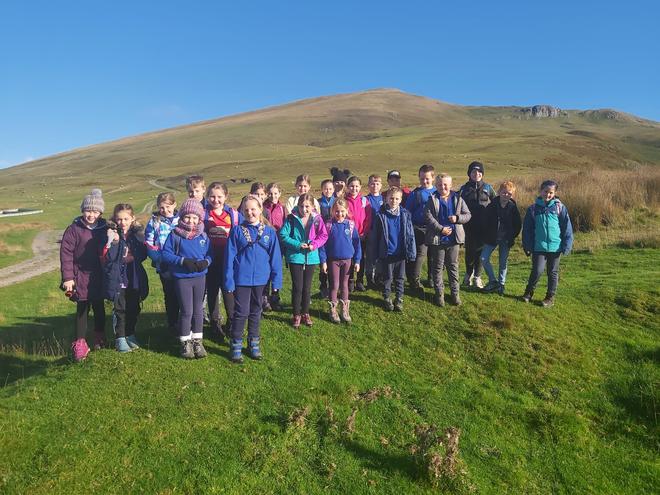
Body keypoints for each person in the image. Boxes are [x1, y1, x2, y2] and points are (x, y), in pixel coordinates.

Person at [225, 196, 283, 362]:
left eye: (253, 209)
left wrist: (276, 282)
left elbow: (275, 259)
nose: (250, 212)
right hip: (241, 280)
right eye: (246, 210)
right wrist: (229, 280)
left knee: (256, 311)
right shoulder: (237, 231)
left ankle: (253, 343)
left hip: (261, 280)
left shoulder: (269, 232)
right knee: (241, 312)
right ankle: (236, 344)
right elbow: (229, 258)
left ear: (260, 210)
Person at [60, 189, 108, 361]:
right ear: (82, 210)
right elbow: (66, 254)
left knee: (99, 307)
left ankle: (99, 338)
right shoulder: (73, 230)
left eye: (95, 211)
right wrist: (68, 278)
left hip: (99, 275)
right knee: (82, 309)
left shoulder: (105, 228)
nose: (91, 215)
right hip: (79, 276)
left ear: (100, 212)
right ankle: (80, 344)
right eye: (88, 210)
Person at [161, 199, 212, 359]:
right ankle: (185, 342)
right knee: (186, 311)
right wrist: (182, 261)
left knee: (198, 310)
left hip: (200, 277)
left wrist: (206, 262)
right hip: (182, 278)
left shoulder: (203, 235)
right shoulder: (175, 235)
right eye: (187, 217)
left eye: (195, 217)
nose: (191, 220)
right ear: (182, 217)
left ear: (199, 218)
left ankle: (197, 341)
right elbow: (166, 254)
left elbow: (210, 254)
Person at [103, 203, 149, 352]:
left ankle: (130, 334)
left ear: (132, 218)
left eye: (126, 219)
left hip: (134, 275)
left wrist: (135, 254)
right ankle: (120, 338)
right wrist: (115, 242)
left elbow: (143, 254)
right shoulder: (112, 233)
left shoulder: (137, 234)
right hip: (118, 276)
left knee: (134, 307)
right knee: (120, 308)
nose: (122, 222)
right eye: (119, 219)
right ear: (115, 219)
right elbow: (110, 256)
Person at [279, 194, 328, 329]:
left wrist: (314, 245)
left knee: (307, 288)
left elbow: (323, 235)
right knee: (297, 287)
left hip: (311, 257)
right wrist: (297, 244)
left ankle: (305, 313)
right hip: (296, 256)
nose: (304, 209)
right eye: (301, 206)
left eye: (307, 206)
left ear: (312, 206)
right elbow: (283, 235)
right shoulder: (291, 218)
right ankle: (296, 314)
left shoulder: (317, 219)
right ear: (298, 206)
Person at [521, 180, 574, 307]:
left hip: (556, 247)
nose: (548, 195)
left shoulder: (560, 208)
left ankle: (550, 298)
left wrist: (567, 245)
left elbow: (567, 228)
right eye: (545, 191)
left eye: (551, 193)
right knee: (537, 270)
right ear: (541, 191)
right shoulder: (533, 209)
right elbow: (527, 230)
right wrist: (527, 245)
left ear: (555, 193)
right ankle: (528, 294)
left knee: (553, 272)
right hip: (539, 246)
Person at [425, 174, 472, 306]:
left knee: (453, 267)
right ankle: (439, 295)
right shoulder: (432, 199)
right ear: (436, 185)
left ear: (451, 185)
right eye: (440, 184)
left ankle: (455, 294)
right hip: (438, 239)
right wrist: (441, 229)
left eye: (445, 184)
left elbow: (468, 215)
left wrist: (458, 218)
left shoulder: (458, 198)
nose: (443, 187)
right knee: (437, 268)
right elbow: (428, 216)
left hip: (453, 240)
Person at [204, 182, 242, 339]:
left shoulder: (233, 215)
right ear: (207, 197)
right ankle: (215, 324)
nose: (216, 200)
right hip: (210, 260)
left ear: (226, 196)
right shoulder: (203, 214)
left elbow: (241, 233)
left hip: (228, 261)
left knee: (229, 291)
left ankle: (232, 323)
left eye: (219, 196)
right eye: (212, 196)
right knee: (212, 292)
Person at [370, 187, 416, 312]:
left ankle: (399, 298)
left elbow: (410, 234)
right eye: (391, 198)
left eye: (397, 198)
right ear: (386, 199)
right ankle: (387, 297)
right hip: (387, 253)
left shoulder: (405, 214)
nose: (394, 201)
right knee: (387, 278)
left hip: (401, 252)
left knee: (400, 278)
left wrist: (411, 251)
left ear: (401, 200)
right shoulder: (380, 215)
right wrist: (375, 254)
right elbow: (376, 236)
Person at [319, 199, 362, 323]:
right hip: (333, 261)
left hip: (347, 260)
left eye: (342, 211)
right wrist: (323, 261)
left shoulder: (350, 225)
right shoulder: (328, 225)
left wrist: (357, 260)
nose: (339, 214)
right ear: (332, 211)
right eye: (337, 211)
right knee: (334, 285)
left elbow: (357, 244)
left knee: (344, 284)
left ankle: (344, 309)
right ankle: (333, 309)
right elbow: (322, 245)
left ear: (347, 211)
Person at [144, 192, 179, 333]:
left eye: (168, 206)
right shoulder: (154, 222)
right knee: (170, 294)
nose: (165, 210)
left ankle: (184, 323)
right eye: (162, 207)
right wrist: (159, 259)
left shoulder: (181, 219)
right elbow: (149, 243)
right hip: (164, 265)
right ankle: (172, 323)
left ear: (174, 204)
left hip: (180, 263)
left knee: (183, 294)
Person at [480, 181, 522, 295]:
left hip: (506, 239)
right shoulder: (492, 205)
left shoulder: (513, 207)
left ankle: (501, 284)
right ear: (499, 192)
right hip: (491, 238)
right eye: (504, 192)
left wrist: (512, 236)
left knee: (503, 262)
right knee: (483, 258)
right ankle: (493, 281)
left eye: (509, 193)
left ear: (512, 194)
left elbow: (517, 224)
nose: (506, 195)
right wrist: (486, 234)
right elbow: (484, 221)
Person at [458, 161, 495, 289]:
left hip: (484, 227)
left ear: (482, 174)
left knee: (480, 253)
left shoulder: (488, 188)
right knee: (469, 252)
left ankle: (477, 277)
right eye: (474, 171)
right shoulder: (464, 189)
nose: (477, 174)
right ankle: (468, 275)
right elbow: (456, 205)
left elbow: (496, 203)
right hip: (468, 227)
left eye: (479, 172)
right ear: (469, 174)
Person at [404, 164, 436, 289]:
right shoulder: (415, 194)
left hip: (434, 228)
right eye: (422, 178)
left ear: (433, 178)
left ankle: (432, 278)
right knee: (420, 254)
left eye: (427, 178)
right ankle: (415, 280)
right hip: (419, 228)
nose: (424, 181)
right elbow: (408, 211)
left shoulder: (437, 192)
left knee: (433, 255)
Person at [344, 176, 371, 292]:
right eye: (352, 186)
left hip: (361, 235)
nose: (354, 188)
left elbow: (368, 218)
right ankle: (350, 281)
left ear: (360, 187)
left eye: (356, 186)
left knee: (361, 258)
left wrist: (364, 232)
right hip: (348, 236)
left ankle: (359, 280)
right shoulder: (344, 201)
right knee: (349, 258)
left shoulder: (364, 201)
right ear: (347, 187)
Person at [263, 182, 286, 310]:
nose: (273, 196)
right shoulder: (263, 207)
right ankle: (265, 298)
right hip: (266, 243)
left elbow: (285, 225)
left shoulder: (282, 208)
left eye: (275, 193)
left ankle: (275, 297)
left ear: (280, 194)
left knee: (276, 269)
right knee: (266, 269)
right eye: (270, 193)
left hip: (279, 244)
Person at [317, 179, 336, 298]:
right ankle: (323, 286)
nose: (328, 191)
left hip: (334, 235)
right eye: (325, 188)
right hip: (322, 236)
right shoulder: (318, 203)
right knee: (322, 261)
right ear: (322, 189)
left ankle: (333, 286)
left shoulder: (337, 201)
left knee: (333, 261)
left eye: (330, 188)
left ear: (333, 189)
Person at [365, 174, 384, 288]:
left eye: (377, 184)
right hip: (371, 231)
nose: (375, 186)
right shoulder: (365, 199)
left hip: (382, 232)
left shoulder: (384, 198)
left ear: (381, 185)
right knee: (370, 255)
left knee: (380, 255)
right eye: (372, 184)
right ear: (368, 185)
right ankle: (369, 277)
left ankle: (379, 276)